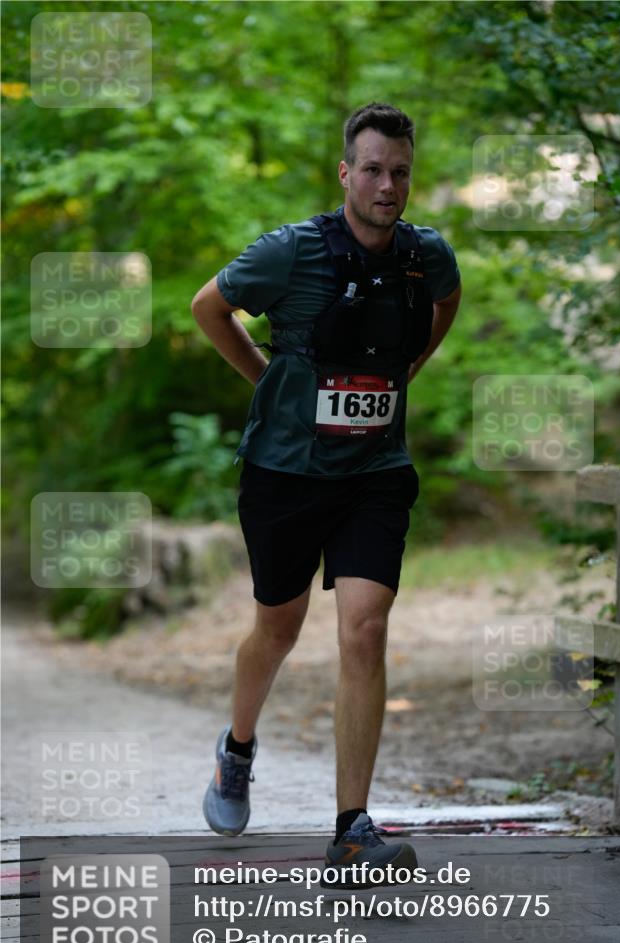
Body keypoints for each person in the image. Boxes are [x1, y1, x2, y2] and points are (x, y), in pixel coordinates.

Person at [191, 102, 461, 883]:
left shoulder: (425, 256)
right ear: (345, 173)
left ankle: (350, 834)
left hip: (374, 472)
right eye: (372, 169)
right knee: (276, 628)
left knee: (364, 631)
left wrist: (408, 370)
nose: (387, 185)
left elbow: (445, 299)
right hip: (284, 472)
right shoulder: (291, 251)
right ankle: (237, 749)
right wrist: (267, 380)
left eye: (399, 172)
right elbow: (208, 306)